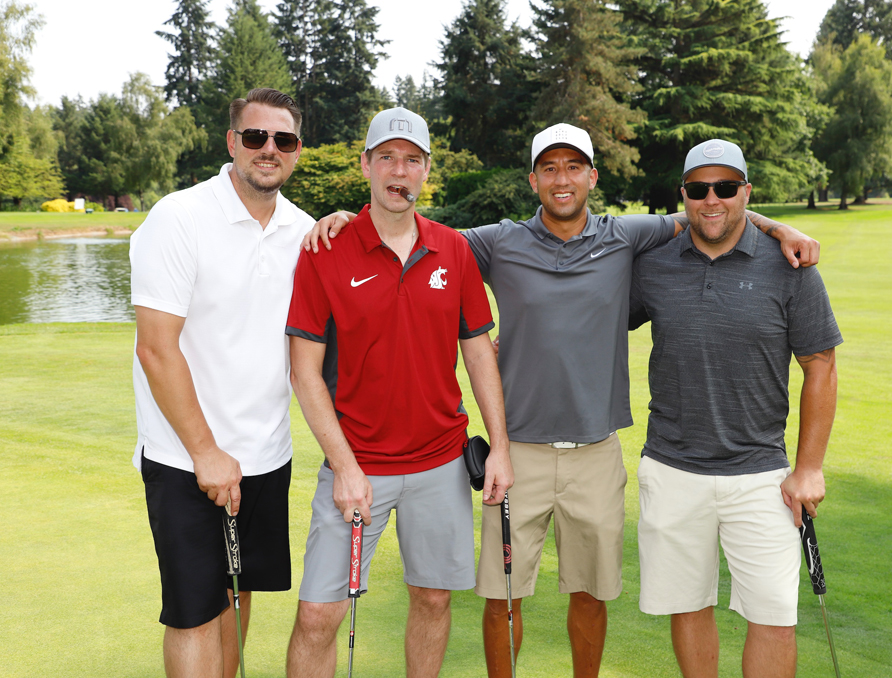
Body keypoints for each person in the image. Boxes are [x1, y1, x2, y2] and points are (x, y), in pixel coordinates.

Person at [304, 123, 820, 678]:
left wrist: (776, 224)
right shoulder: (496, 241)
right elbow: (415, 233)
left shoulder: (626, 235)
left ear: (592, 176)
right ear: (533, 179)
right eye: (549, 168)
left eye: (574, 167)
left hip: (596, 451)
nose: (562, 179)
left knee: (590, 594)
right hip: (516, 451)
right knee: (503, 596)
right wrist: (346, 220)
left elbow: (711, 213)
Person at [283, 107, 512, 678]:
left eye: (412, 160)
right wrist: (344, 466)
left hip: (441, 463)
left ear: (426, 170)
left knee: (433, 599)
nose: (399, 171)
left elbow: (479, 350)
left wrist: (501, 447)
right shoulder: (326, 249)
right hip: (356, 466)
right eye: (387, 156)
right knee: (318, 614)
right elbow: (303, 371)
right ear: (366, 164)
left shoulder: (452, 249)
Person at [629, 139, 842, 678]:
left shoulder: (790, 265)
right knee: (689, 605)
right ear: (684, 196)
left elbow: (820, 364)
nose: (712, 200)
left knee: (773, 616)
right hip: (672, 468)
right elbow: (582, 295)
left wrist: (810, 467)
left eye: (726, 187)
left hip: (763, 476)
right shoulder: (651, 263)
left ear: (746, 191)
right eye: (700, 189)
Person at [130, 88, 313, 678]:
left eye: (282, 140)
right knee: (194, 613)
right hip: (186, 458)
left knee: (239, 595)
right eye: (256, 137)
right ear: (233, 142)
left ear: (296, 151)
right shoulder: (179, 217)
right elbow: (157, 349)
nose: (268, 149)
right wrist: (205, 452)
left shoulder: (304, 231)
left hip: (265, 455)